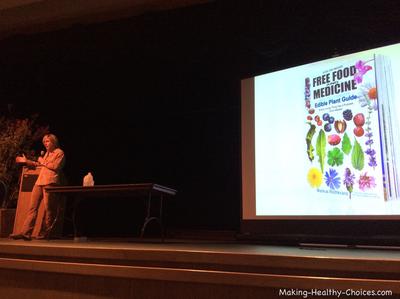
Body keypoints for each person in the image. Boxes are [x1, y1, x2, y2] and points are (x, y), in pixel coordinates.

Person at [10, 133, 65, 241]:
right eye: (44, 142)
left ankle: (45, 233)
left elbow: (55, 167)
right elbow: (40, 165)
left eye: (47, 141)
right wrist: (27, 161)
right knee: (32, 208)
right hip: (39, 182)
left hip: (50, 182)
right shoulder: (47, 154)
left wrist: (42, 161)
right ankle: (26, 233)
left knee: (49, 209)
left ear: (53, 141)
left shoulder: (59, 153)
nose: (45, 144)